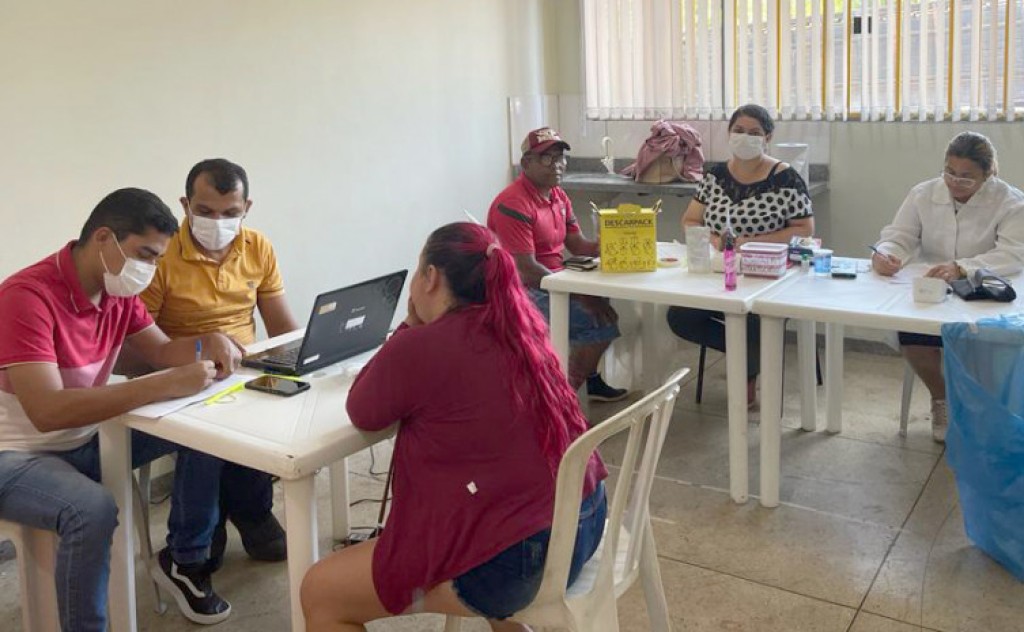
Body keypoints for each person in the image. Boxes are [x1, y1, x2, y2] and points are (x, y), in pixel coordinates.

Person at [300, 222, 607, 632]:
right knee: (504, 509)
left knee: (321, 592)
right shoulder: (523, 329)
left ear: (429, 277)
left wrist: (408, 328)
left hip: (522, 562)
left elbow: (363, 410)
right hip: (582, 522)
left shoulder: (421, 345)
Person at [0, 188, 242, 630]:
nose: (148, 269)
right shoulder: (25, 296)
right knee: (90, 510)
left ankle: (185, 561)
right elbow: (48, 411)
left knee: (206, 430)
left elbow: (165, 351)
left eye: (156, 259)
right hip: (16, 453)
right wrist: (159, 385)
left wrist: (210, 340)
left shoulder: (117, 292)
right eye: (144, 255)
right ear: (104, 238)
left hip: (87, 437)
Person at [135, 158, 299, 569]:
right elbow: (139, 346)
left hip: (244, 370)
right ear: (185, 204)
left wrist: (303, 357)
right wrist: (197, 352)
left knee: (278, 407)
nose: (217, 222)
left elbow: (282, 327)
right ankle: (197, 538)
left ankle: (252, 513)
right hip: (183, 372)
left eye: (230, 213)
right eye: (205, 212)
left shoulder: (257, 246)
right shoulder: (163, 254)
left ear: (247, 208)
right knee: (209, 436)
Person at [872, 131, 1024, 443]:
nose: (955, 183)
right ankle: (941, 399)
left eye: (967, 178)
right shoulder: (923, 193)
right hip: (932, 291)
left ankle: (981, 407)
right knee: (911, 332)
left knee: (985, 340)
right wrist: (887, 254)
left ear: (988, 173)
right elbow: (899, 235)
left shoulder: (1011, 202)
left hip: (984, 291)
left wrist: (963, 267)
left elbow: (1013, 253)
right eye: (950, 172)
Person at [666, 104, 814, 405]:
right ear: (729, 133)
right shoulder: (715, 175)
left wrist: (753, 242)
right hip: (721, 271)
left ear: (767, 137)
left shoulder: (786, 178)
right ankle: (746, 355)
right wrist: (718, 239)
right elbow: (690, 220)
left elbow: (805, 229)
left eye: (754, 133)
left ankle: (748, 374)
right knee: (680, 316)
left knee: (754, 320)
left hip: (769, 275)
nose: (745, 137)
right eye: (739, 131)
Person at [487, 127, 628, 402]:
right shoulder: (512, 204)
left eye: (561, 158)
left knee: (602, 300)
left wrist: (616, 242)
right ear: (526, 163)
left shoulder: (558, 196)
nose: (558, 165)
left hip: (553, 277)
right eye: (547, 158)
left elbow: (577, 245)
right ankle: (562, 403)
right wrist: (578, 294)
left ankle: (590, 379)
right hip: (517, 289)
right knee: (598, 323)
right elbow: (526, 270)